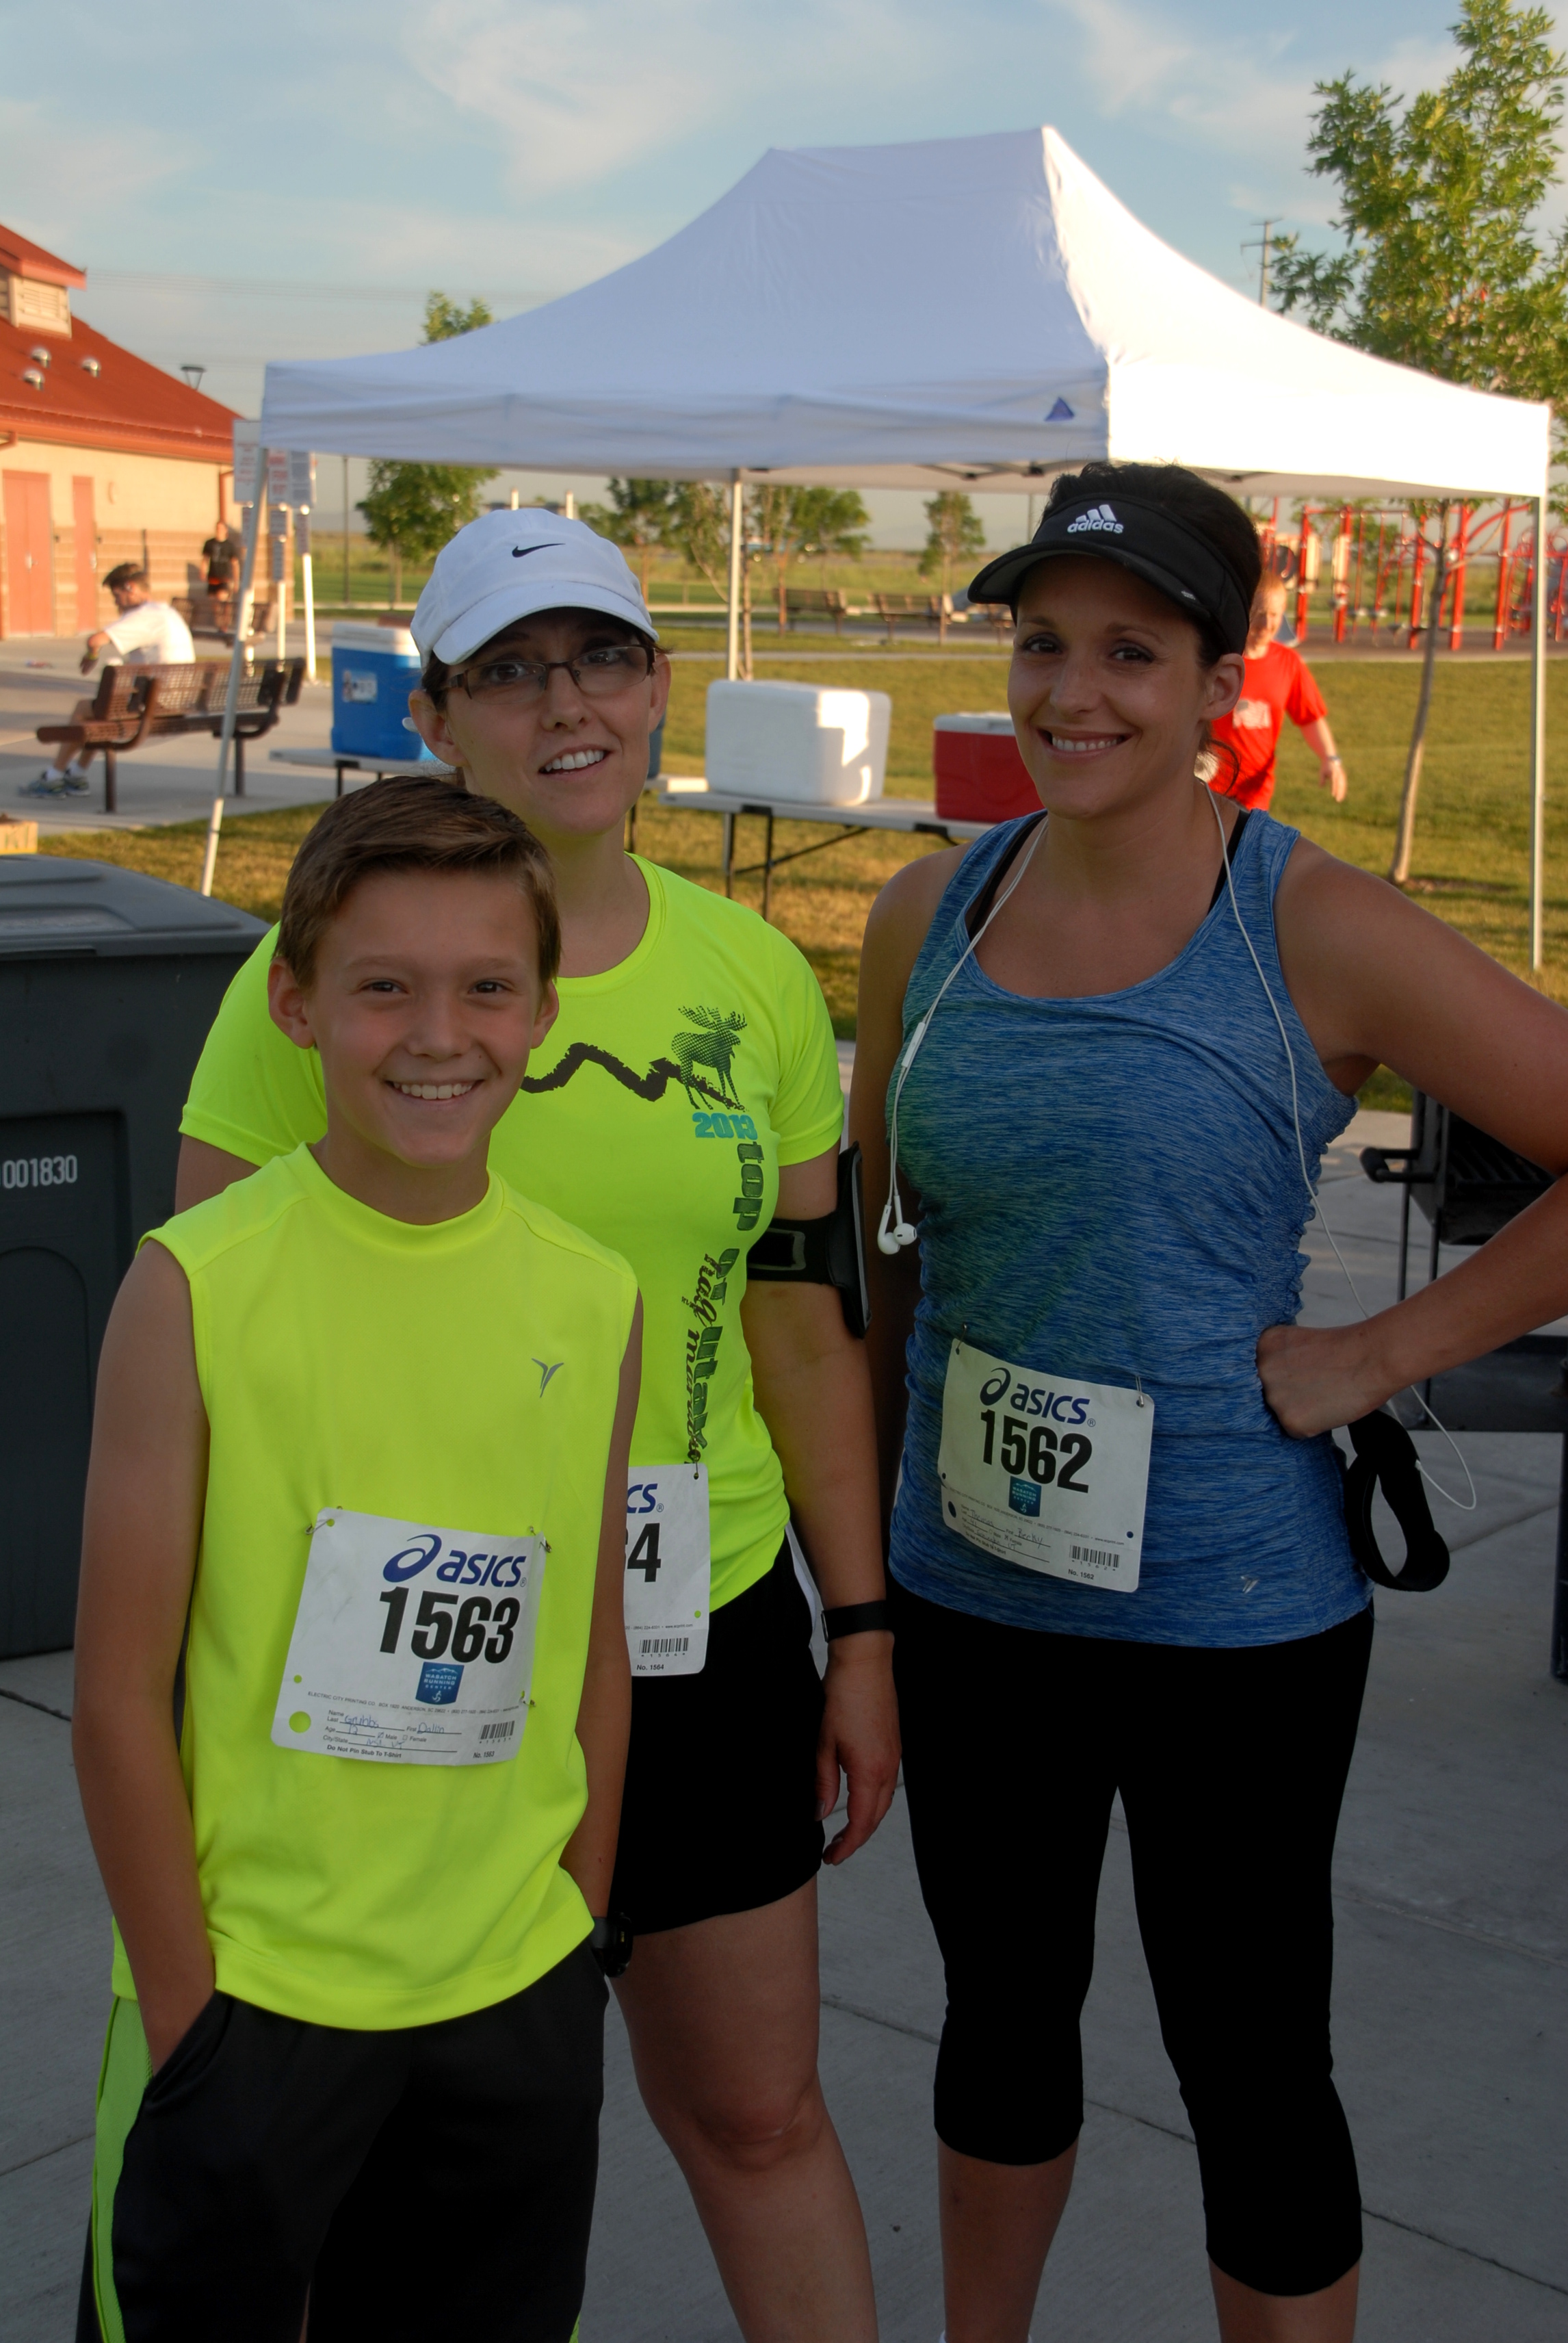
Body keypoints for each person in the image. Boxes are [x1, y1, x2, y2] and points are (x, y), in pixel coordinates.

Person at [850, 459, 1568, 2343]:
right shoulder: (921, 914)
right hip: (972, 1593)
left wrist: (1380, 1355)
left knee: (1248, 2063)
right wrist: (861, 1576)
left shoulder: (1308, 923)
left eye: (1129, 653)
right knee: (997, 2027)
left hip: (1226, 1618)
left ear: (1215, 681)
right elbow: (887, 1249)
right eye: (1039, 646)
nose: (1071, 694)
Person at [173, 508, 898, 2343]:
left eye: (601, 658)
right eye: (510, 669)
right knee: (382, 2181)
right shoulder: (335, 972)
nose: (564, 704)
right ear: (436, 713)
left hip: (700, 1626)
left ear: (659, 686)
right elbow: (210, 1353)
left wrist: (862, 1622)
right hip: (404, 1642)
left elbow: (804, 1327)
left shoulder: (748, 980)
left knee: (756, 2115)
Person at [73, 777, 641, 2341]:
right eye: (383, 986)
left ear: (540, 1012)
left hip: (509, 2002)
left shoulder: (591, 1299)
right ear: (300, 1003)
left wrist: (570, 1941)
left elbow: (590, 1648)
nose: (436, 1033)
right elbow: (116, 1693)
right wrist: (191, 2018)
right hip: (255, 2005)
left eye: (484, 987)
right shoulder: (196, 1287)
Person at [25, 565, 196, 797]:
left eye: (117, 596)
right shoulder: (166, 611)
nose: (117, 604)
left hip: (159, 702)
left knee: (85, 709)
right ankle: (76, 775)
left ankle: (54, 776)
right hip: (181, 699)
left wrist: (91, 656)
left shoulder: (145, 616)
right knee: (100, 711)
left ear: (131, 588)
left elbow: (95, 640)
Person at [1209, 573, 1345, 811]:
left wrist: (1330, 758)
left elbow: (1310, 718)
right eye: (1260, 614)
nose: (1267, 624)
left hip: (1255, 797)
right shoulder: (1219, 660)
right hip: (1208, 790)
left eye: (1274, 615)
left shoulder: (1288, 663)